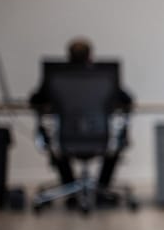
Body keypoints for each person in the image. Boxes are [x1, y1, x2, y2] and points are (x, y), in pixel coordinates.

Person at [29, 37, 133, 194]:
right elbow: (127, 100)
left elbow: (35, 100)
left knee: (53, 141)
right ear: (90, 56)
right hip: (101, 137)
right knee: (117, 141)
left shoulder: (56, 77)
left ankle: (69, 187)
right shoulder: (104, 77)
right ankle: (102, 189)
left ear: (68, 56)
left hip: (64, 139)